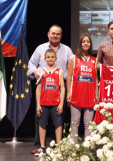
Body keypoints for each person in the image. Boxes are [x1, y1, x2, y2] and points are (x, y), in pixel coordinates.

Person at [28, 25, 73, 154]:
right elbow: (31, 64)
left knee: (58, 119)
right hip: (43, 87)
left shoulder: (67, 50)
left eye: (58, 34)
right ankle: (40, 146)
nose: (55, 36)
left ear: (61, 36)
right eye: (53, 33)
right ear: (48, 34)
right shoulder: (40, 48)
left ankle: (57, 146)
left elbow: (72, 69)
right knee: (40, 120)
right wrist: (35, 71)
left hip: (60, 88)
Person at [66, 35, 98, 143]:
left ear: (90, 44)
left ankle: (87, 146)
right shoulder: (73, 58)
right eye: (83, 41)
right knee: (75, 122)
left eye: (88, 42)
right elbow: (69, 77)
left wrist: (97, 94)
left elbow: (96, 79)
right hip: (76, 95)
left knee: (88, 124)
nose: (85, 43)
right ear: (80, 44)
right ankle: (73, 146)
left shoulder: (95, 60)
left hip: (90, 96)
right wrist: (68, 93)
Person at [35, 49, 65, 156]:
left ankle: (59, 146)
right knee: (42, 124)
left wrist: (61, 104)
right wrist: (38, 105)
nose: (50, 59)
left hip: (56, 103)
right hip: (43, 103)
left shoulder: (60, 71)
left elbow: (63, 88)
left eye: (52, 57)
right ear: (45, 58)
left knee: (58, 124)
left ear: (56, 58)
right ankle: (42, 147)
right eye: (48, 57)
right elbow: (38, 89)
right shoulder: (41, 71)